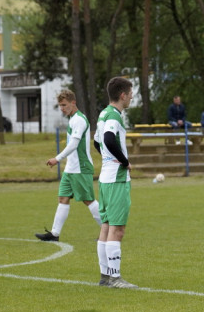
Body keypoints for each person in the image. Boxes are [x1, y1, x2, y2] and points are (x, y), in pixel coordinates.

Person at [35, 90, 100, 242]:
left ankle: (109, 230)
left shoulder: (80, 120)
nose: (62, 108)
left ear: (73, 103)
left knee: (88, 200)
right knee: (63, 198)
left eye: (64, 105)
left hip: (80, 168)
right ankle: (54, 234)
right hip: (71, 169)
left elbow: (74, 144)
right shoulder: (72, 119)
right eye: (60, 106)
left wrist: (57, 158)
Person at [94, 77, 137, 288]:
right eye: (130, 94)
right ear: (122, 95)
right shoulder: (113, 116)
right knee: (117, 229)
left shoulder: (103, 113)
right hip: (116, 179)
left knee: (106, 226)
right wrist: (124, 161)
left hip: (105, 178)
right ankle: (115, 278)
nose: (131, 97)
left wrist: (108, 158)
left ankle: (105, 276)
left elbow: (97, 141)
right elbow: (109, 139)